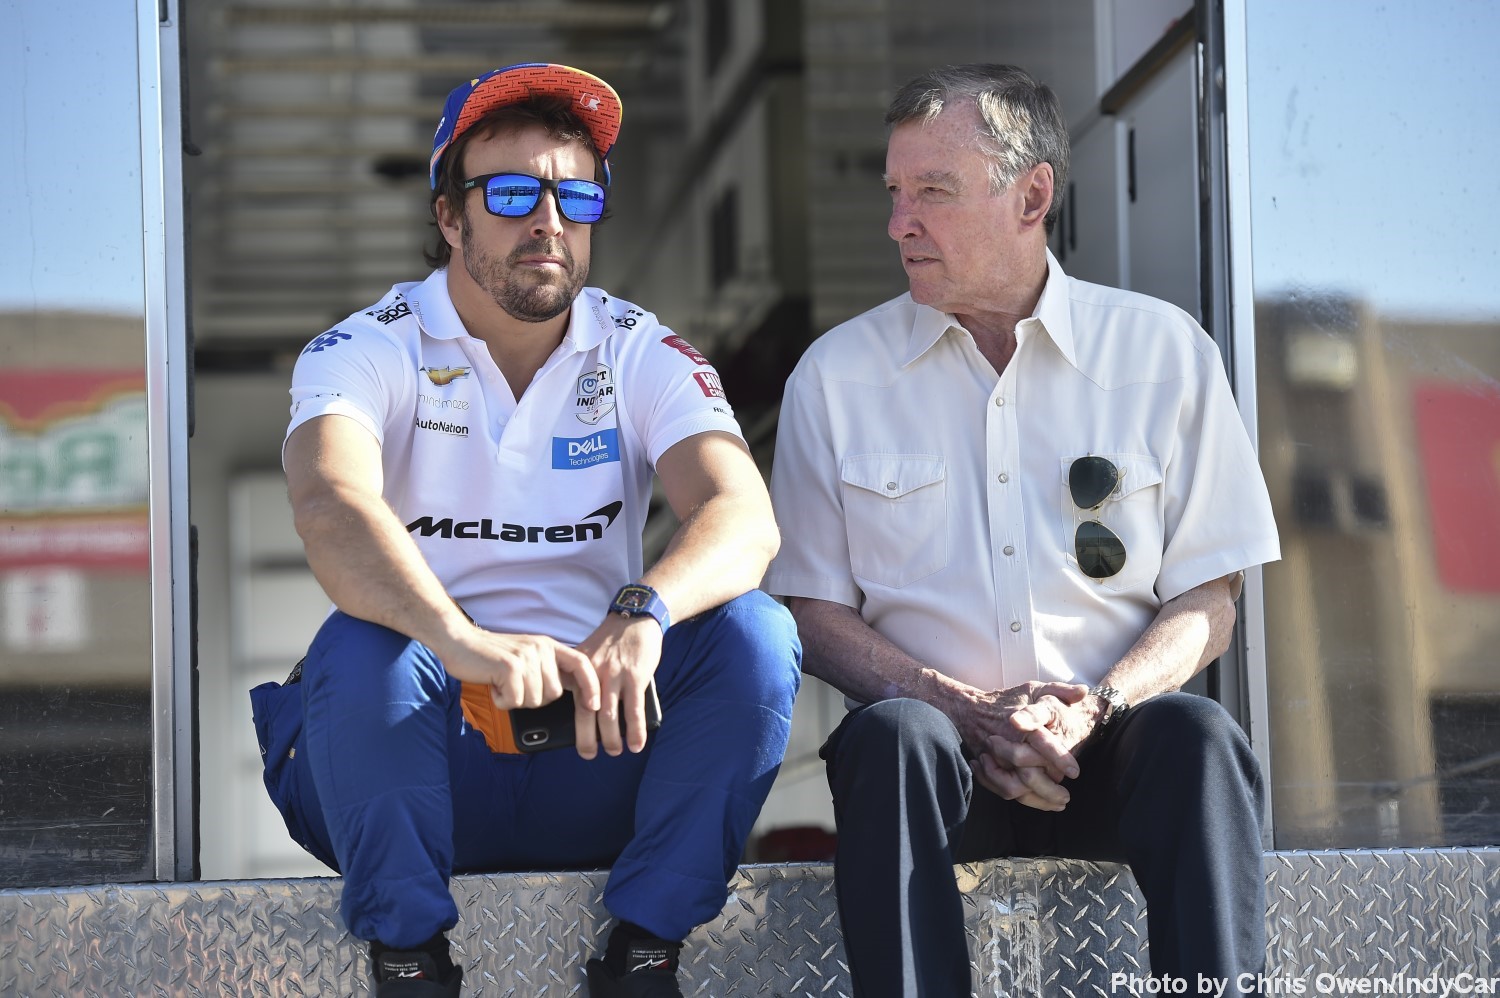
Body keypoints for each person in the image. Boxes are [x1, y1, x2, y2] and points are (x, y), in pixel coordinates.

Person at [250, 63, 802, 998]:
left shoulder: (640, 347)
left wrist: (643, 612)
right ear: (448, 217)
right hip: (414, 753)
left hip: (591, 748)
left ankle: (645, 954)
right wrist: (462, 643)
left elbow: (741, 513)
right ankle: (409, 961)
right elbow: (330, 507)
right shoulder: (363, 346)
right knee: (360, 647)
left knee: (757, 633)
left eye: (575, 193)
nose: (548, 220)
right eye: (510, 192)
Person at [764, 64, 1281, 996]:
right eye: (895, 193)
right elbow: (808, 610)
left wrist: (1094, 708)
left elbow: (1210, 597)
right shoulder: (834, 378)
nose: (898, 223)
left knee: (1200, 740)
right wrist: (964, 709)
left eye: (933, 191)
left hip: (1107, 748)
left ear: (1031, 194)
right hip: (938, 772)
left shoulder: (1163, 353)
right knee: (892, 741)